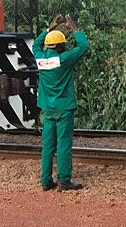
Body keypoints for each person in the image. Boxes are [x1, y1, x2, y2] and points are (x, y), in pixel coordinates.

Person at [33, 13, 89, 191]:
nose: (65, 47)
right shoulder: (64, 60)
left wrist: (50, 27)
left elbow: (35, 44)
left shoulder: (40, 58)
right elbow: (83, 46)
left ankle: (46, 181)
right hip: (64, 108)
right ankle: (64, 180)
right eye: (63, 45)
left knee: (48, 145)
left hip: (48, 109)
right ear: (59, 46)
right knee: (63, 144)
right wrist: (73, 28)